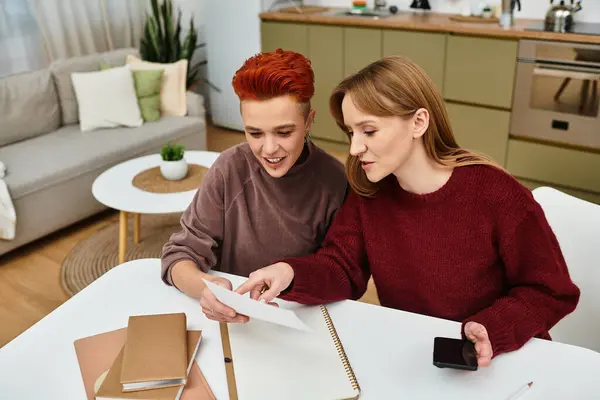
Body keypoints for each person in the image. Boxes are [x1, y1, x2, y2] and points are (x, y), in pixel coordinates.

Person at [235, 56, 580, 367]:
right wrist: (289, 272)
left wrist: (492, 328)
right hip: (420, 357)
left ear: (418, 122)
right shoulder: (371, 194)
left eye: (368, 130)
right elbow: (342, 266)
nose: (354, 148)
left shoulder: (499, 195)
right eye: (351, 132)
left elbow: (550, 291)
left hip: (508, 362)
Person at [161, 49, 348, 323]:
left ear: (308, 122)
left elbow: (341, 270)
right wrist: (206, 287)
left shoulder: (335, 181)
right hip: (233, 323)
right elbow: (178, 256)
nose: (269, 149)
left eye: (284, 132)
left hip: (302, 320)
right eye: (255, 133)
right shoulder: (230, 169)